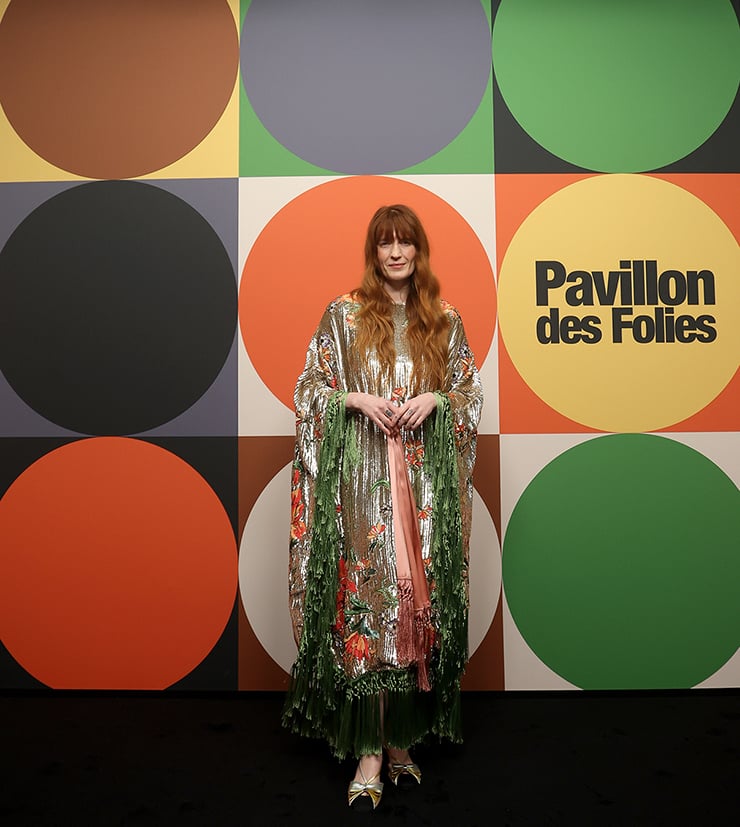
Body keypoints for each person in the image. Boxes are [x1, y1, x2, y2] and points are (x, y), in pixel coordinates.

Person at [282, 204, 483, 810]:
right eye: (384, 244)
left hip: (424, 492)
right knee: (370, 606)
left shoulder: (446, 321)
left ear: (420, 251)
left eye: (406, 244)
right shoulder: (343, 316)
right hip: (363, 484)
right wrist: (351, 399)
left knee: (416, 608)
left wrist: (437, 400)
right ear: (373, 253)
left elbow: (469, 392)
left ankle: (401, 742)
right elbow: (308, 387)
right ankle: (369, 747)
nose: (396, 254)